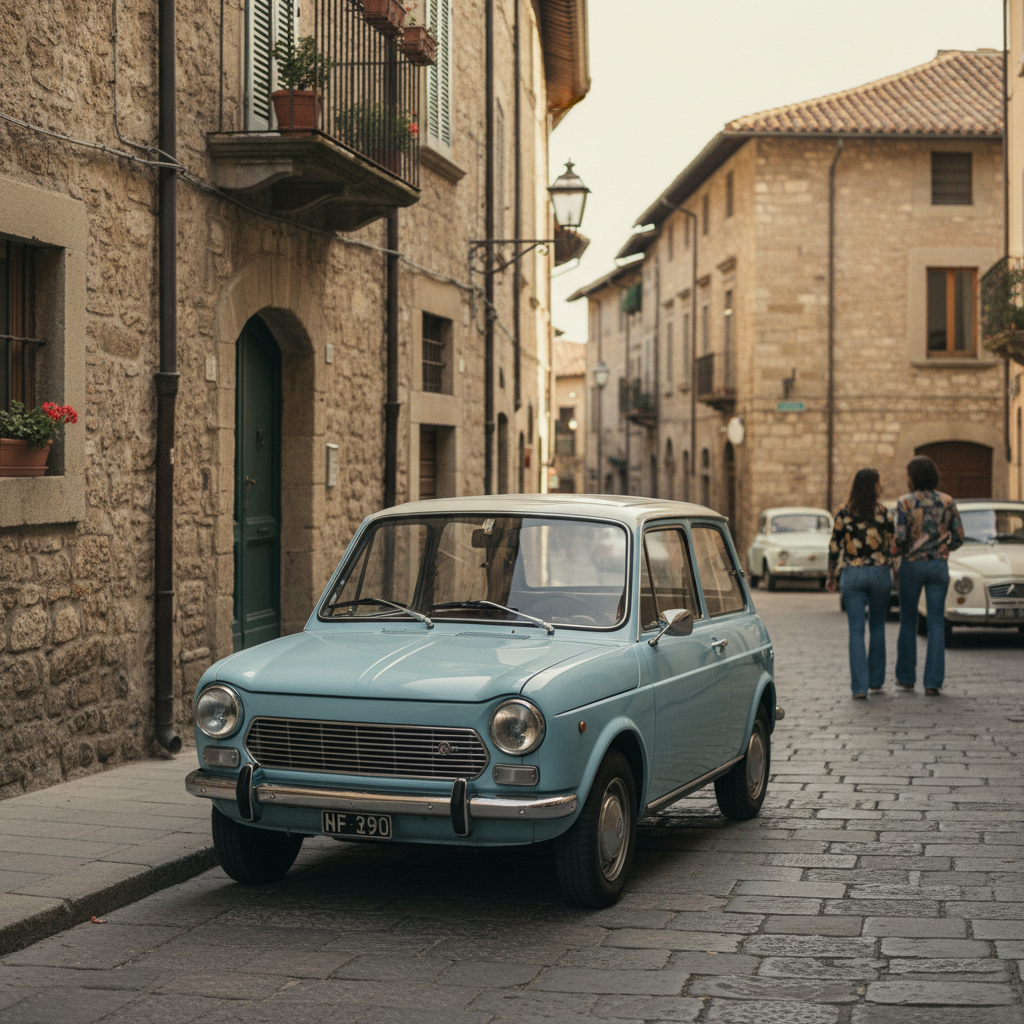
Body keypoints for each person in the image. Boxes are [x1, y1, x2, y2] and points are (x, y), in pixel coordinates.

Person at [893, 455, 964, 695]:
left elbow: (900, 537)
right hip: (938, 566)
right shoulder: (947, 501)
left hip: (912, 566)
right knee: (936, 623)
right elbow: (959, 536)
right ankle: (933, 683)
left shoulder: (904, 503)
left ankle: (906, 678)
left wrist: (903, 552)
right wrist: (944, 549)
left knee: (908, 621)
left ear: (912, 477)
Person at [826, 468, 895, 699]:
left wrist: (831, 577)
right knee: (877, 627)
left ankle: (859, 688)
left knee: (856, 631)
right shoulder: (884, 513)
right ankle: (876, 681)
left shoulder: (844, 514)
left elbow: (834, 546)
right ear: (875, 486)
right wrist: (891, 564)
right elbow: (893, 544)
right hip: (878, 573)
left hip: (852, 574)